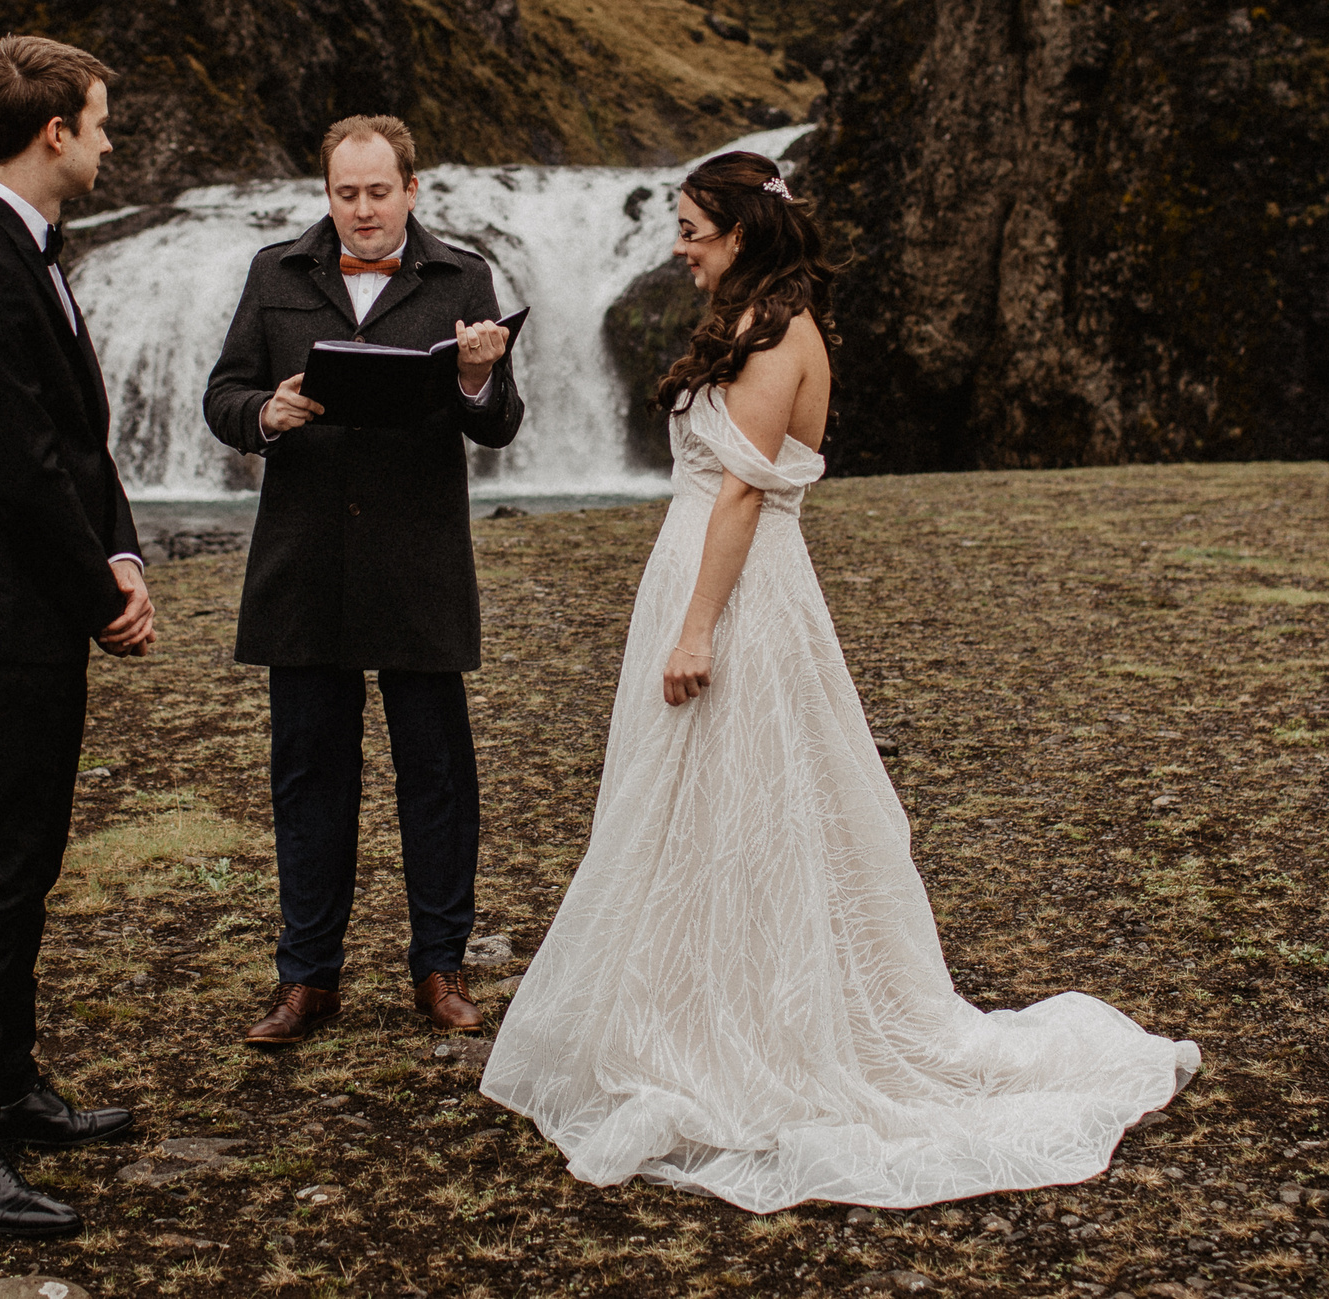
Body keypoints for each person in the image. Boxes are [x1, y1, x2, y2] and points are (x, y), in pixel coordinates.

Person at [481, 152, 1198, 1213]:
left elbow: (737, 499)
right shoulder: (747, 322)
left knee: (748, 799)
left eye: (691, 227)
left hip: (736, 595)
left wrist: (695, 630)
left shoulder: (780, 336)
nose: (677, 245)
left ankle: (752, 1032)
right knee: (688, 807)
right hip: (703, 583)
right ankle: (687, 1006)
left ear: (742, 233)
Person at [0, 34, 156, 1240]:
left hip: (30, 605)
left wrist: (120, 555)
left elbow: (74, 446)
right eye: (101, 123)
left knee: (24, 864)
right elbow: (18, 474)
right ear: (53, 132)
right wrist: (105, 595)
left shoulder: (20, 250)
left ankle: (6, 1089)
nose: (109, 142)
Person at [203, 114, 523, 1046]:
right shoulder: (277, 272)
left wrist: (474, 379)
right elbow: (223, 395)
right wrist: (266, 408)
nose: (363, 210)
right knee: (308, 776)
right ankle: (307, 979)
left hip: (418, 564)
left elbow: (499, 423)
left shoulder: (463, 278)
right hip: (303, 565)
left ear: (411, 190)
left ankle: (440, 966)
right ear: (329, 194)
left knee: (436, 774)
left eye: (379, 192)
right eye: (346, 194)